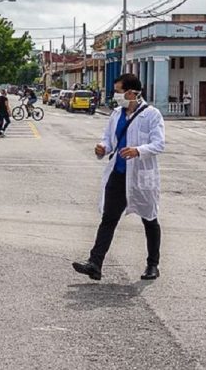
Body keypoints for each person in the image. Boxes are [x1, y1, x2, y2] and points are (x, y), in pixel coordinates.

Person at [72, 73, 166, 282]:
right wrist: (102, 147)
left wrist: (138, 150)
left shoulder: (152, 115)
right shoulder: (116, 114)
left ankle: (153, 264)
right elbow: (109, 140)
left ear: (132, 93)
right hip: (118, 174)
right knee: (108, 218)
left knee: (149, 218)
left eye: (119, 91)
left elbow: (159, 144)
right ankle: (95, 263)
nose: (116, 95)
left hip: (141, 176)